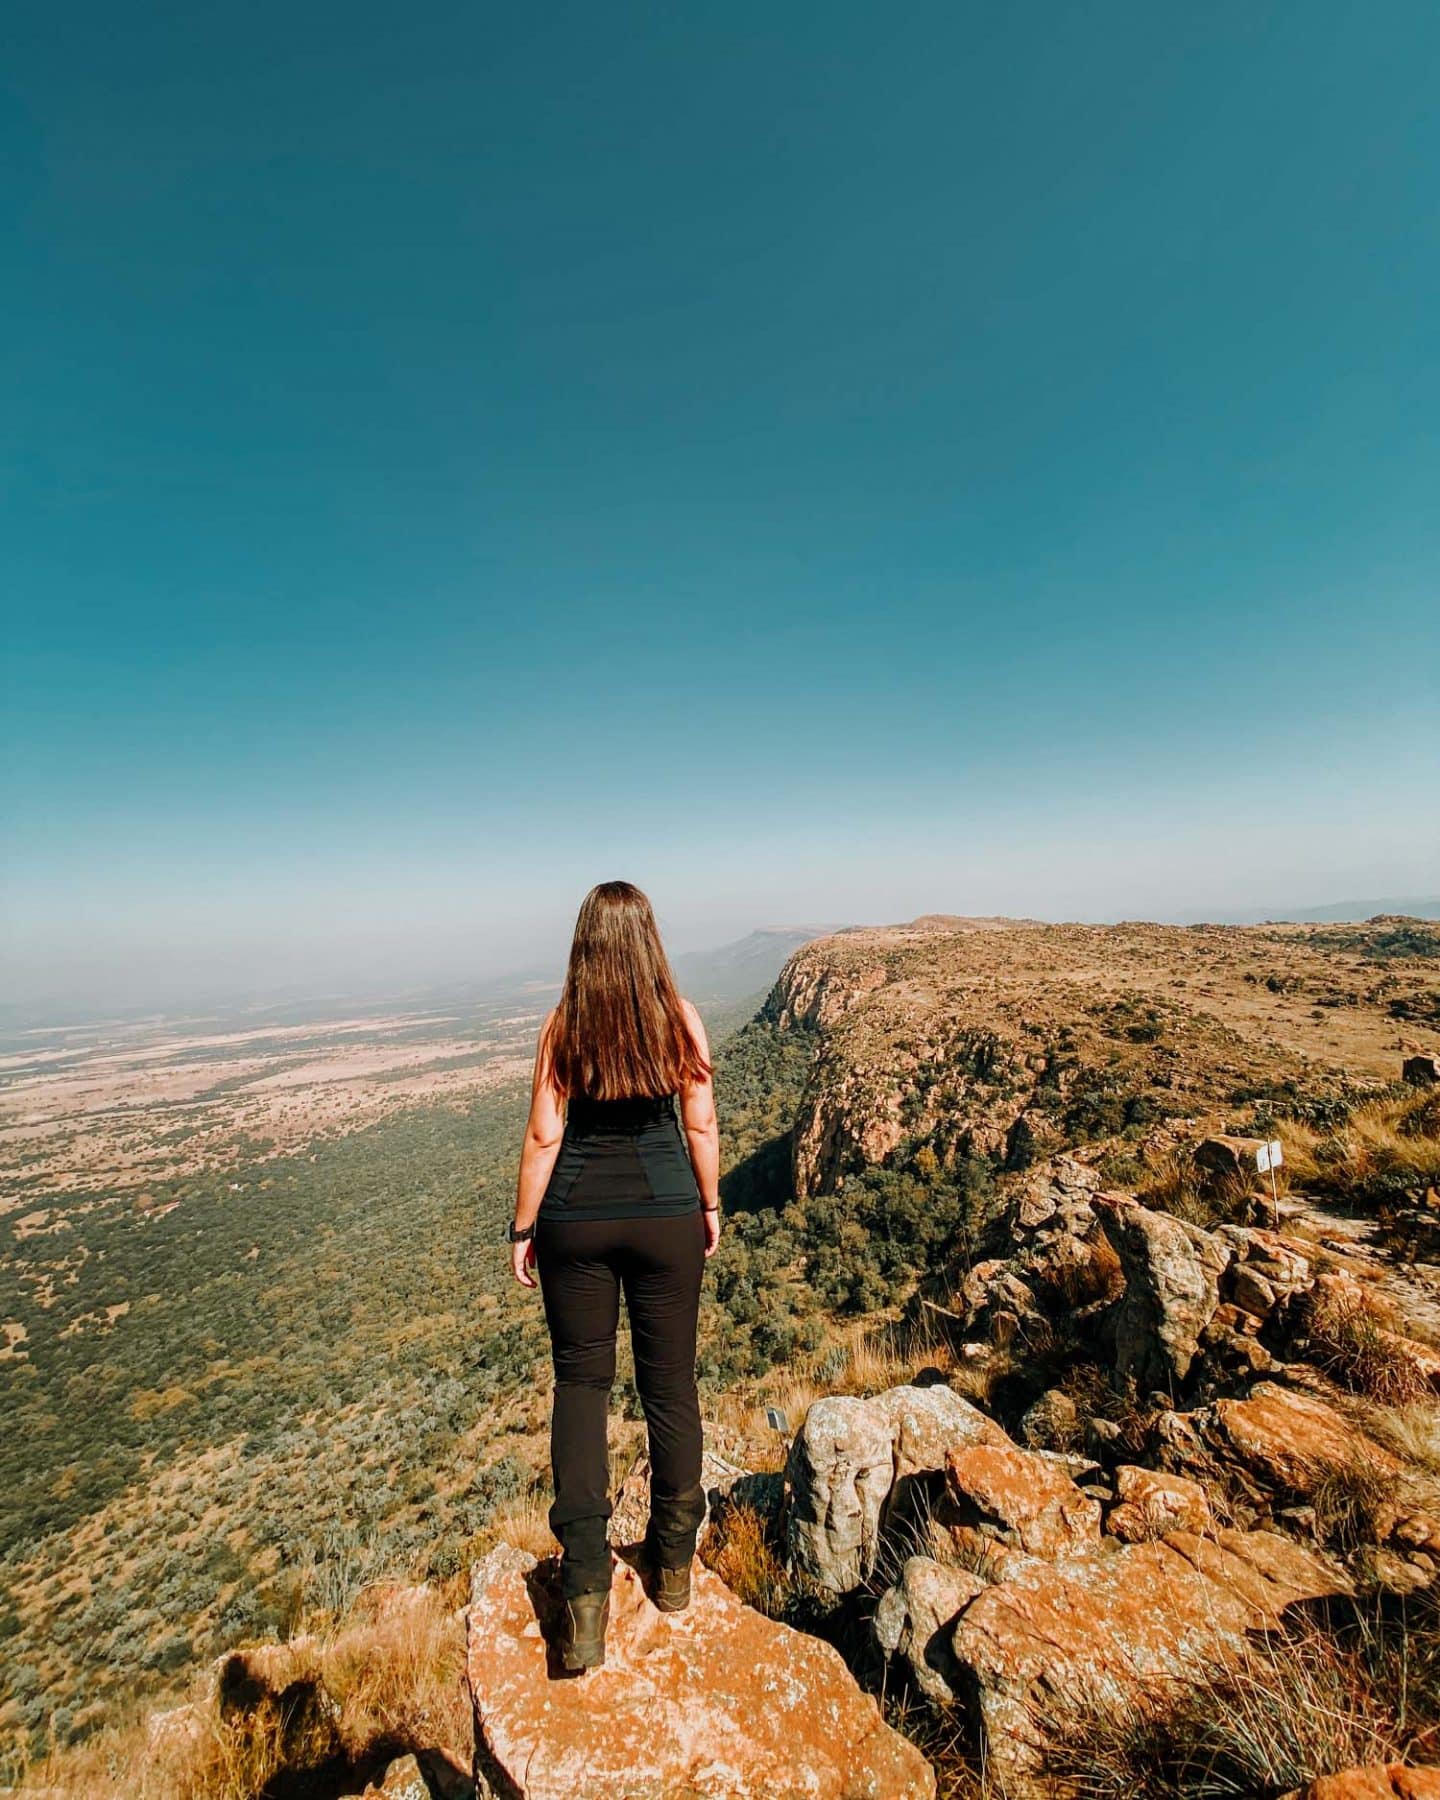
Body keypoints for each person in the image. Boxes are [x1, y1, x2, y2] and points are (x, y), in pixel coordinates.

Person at [509, 880, 722, 1672]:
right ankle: (671, 1571)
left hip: (578, 1221)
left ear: (585, 945)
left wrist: (523, 1228)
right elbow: (699, 1119)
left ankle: (588, 1596)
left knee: (581, 1388)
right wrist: (709, 1203)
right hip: (667, 1213)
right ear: (649, 941)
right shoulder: (681, 1017)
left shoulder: (564, 1024)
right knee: (670, 1387)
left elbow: (542, 1135)